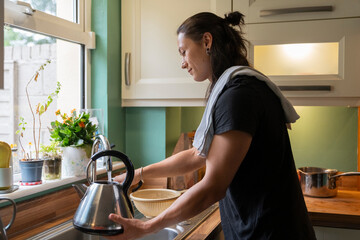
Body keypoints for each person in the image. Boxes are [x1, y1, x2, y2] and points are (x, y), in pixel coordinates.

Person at [110, 11, 316, 240]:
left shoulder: (239, 96)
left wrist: (146, 227)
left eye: (184, 52)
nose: (182, 63)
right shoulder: (237, 90)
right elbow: (196, 155)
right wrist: (138, 174)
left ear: (207, 41)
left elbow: (213, 186)